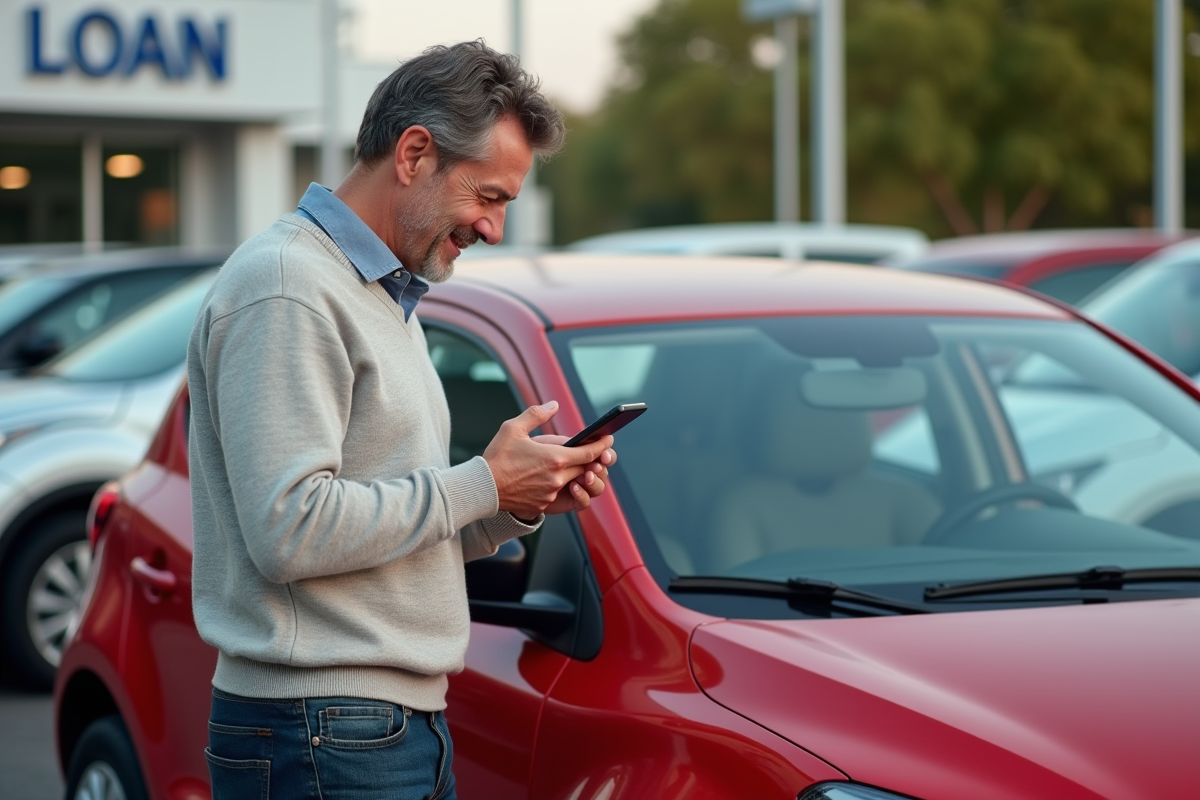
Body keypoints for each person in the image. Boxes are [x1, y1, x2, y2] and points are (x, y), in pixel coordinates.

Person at [186, 40, 615, 800]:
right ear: (415, 153)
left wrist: (513, 498)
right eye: (489, 196)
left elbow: (395, 519)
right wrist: (479, 481)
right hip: (319, 726)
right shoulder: (289, 286)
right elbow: (290, 528)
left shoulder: (383, 291)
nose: (494, 228)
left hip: (371, 725)